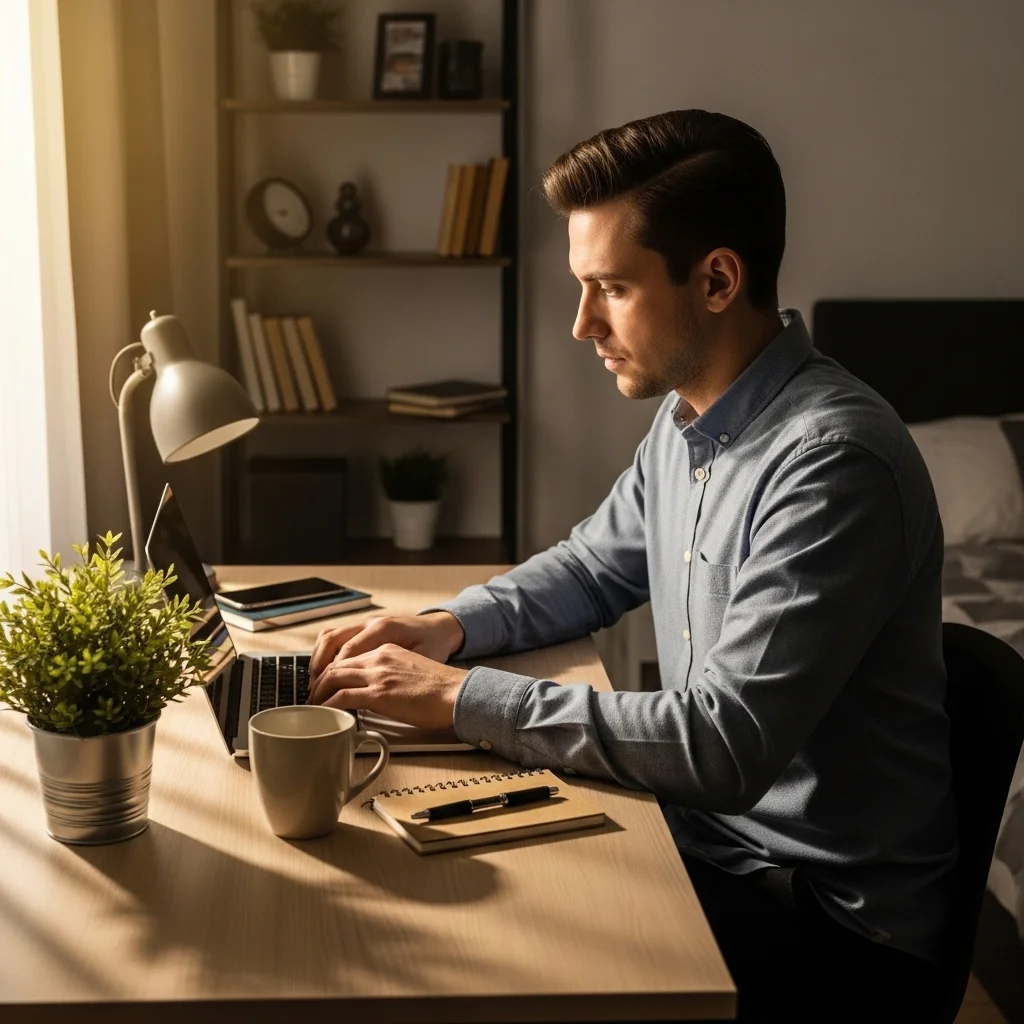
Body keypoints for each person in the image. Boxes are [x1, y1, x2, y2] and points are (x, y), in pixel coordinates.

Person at [307, 110, 956, 1022]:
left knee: (473, 948)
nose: (582, 324)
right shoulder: (690, 417)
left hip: (827, 925)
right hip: (708, 844)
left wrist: (458, 698)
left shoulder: (831, 463)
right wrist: (445, 628)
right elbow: (590, 569)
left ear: (717, 280)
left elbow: (721, 745)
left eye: (610, 287)